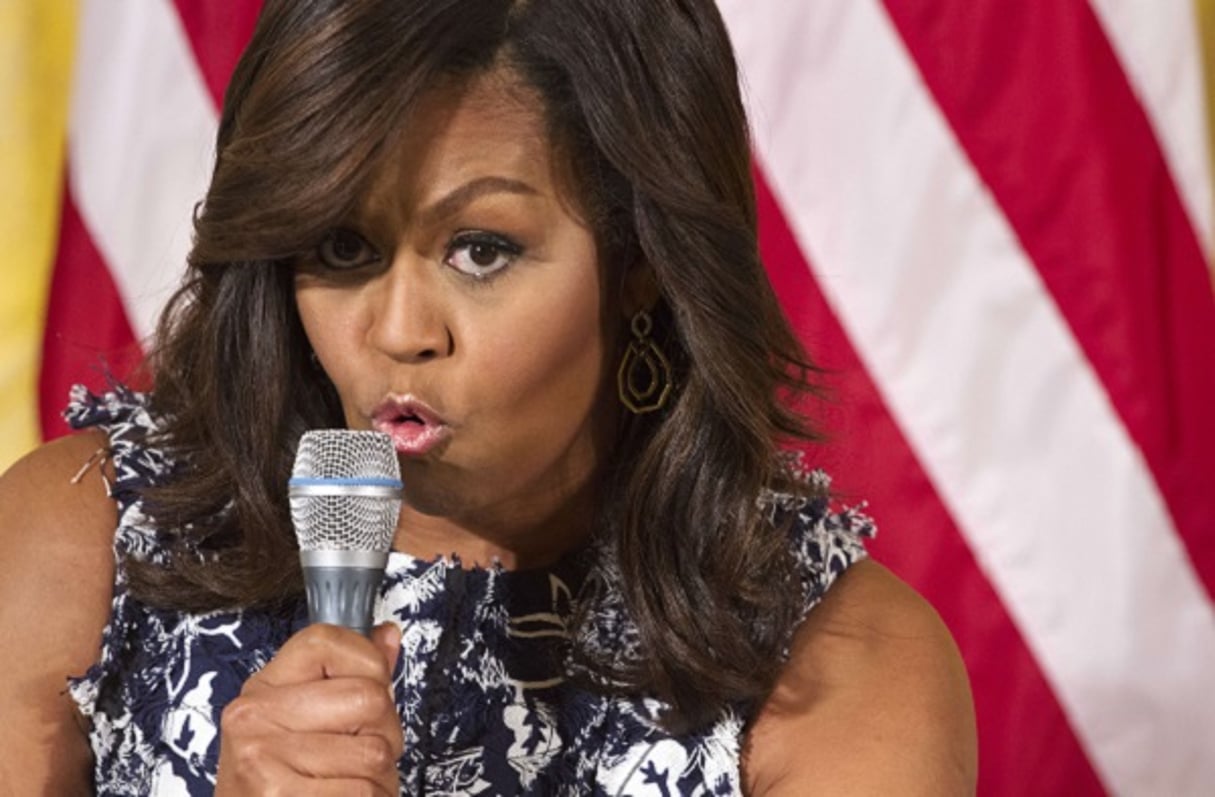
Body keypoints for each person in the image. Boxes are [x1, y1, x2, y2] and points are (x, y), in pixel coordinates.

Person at [0, 0, 976, 793]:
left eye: (480, 249)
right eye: (342, 248)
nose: (397, 330)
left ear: (640, 260)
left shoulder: (845, 666)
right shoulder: (83, 540)